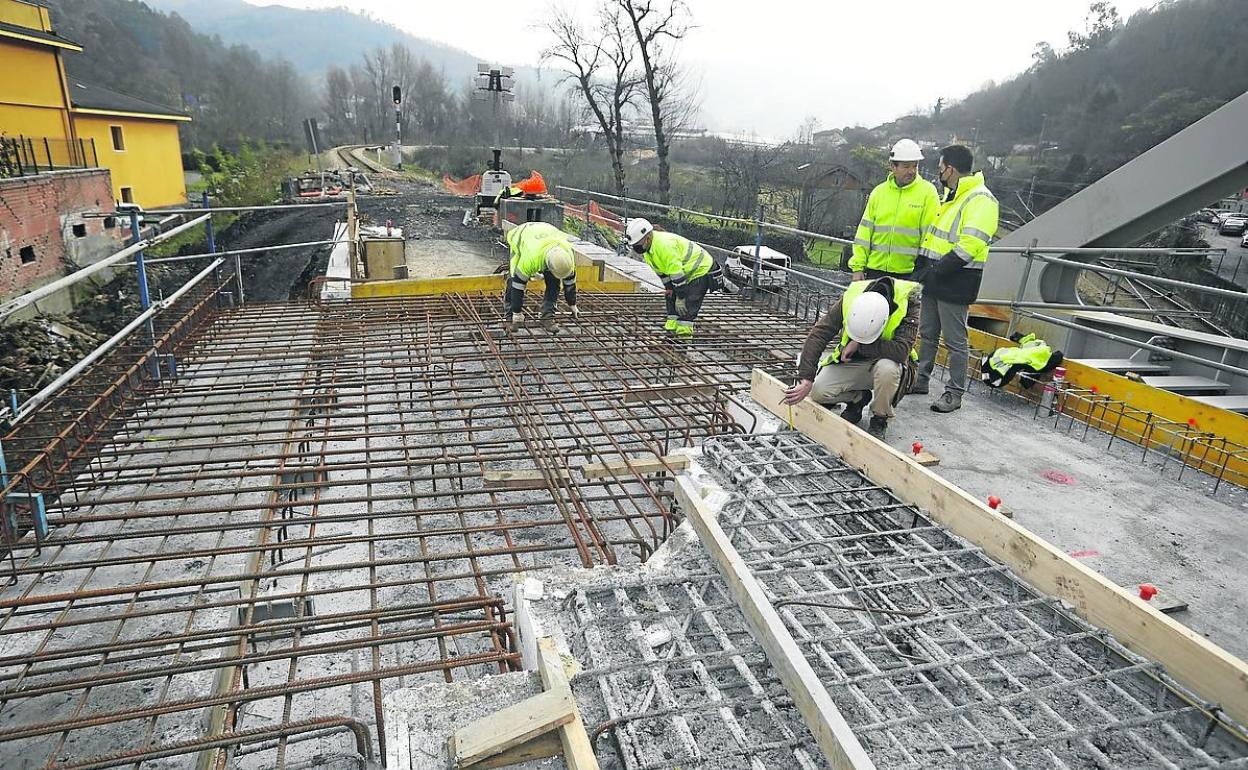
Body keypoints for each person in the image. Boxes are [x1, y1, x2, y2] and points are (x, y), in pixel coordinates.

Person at [912, 144, 999, 413]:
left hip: (956, 278)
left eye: (940, 168)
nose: (939, 172)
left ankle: (954, 393)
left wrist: (938, 269)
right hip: (936, 277)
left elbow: (971, 244)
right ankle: (921, 379)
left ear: (950, 168)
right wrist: (924, 267)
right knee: (927, 333)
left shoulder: (980, 199)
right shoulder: (953, 197)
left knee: (955, 341)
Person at [781, 276, 922, 440]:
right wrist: (806, 377)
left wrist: (859, 345)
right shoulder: (852, 296)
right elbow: (820, 333)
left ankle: (880, 418)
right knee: (819, 391)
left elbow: (901, 351)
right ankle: (859, 398)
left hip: (890, 364)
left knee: (887, 369)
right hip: (857, 362)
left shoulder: (909, 300)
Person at [849, 139, 940, 281]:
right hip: (875, 271)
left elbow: (930, 237)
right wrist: (858, 268)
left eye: (915, 166)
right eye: (906, 166)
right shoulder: (879, 192)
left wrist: (923, 273)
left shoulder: (928, 193)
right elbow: (864, 233)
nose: (911, 171)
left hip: (909, 275)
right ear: (893, 166)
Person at [625, 218, 716, 338]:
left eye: (637, 245)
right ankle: (670, 335)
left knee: (686, 310)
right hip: (683, 272)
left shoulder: (664, 246)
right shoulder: (648, 251)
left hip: (700, 270)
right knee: (670, 299)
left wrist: (681, 297)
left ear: (647, 239)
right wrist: (669, 288)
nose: (636, 249)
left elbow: (677, 275)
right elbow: (663, 274)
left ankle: (682, 344)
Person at [502, 221, 578, 333]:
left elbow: (570, 282)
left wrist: (572, 304)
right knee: (513, 279)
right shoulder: (531, 259)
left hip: (546, 233)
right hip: (521, 236)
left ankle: (547, 316)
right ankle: (510, 317)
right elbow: (518, 286)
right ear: (547, 265)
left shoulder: (567, 256)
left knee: (554, 283)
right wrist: (517, 312)